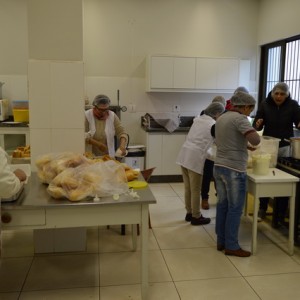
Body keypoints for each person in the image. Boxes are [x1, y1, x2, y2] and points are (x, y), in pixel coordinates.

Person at [214, 91, 260, 257]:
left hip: (218, 166)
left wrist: (243, 145)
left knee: (222, 205)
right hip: (234, 169)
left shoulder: (222, 117)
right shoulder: (240, 119)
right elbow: (256, 139)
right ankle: (232, 245)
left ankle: (221, 240)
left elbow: (223, 140)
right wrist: (252, 129)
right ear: (246, 106)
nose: (250, 113)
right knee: (235, 208)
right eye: (250, 109)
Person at [252, 82, 300, 224]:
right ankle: (262, 208)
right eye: (276, 93)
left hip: (285, 145)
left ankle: (280, 213)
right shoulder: (265, 104)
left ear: (287, 95)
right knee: (265, 177)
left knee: (284, 179)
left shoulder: (293, 105)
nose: (279, 97)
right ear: (272, 93)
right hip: (268, 145)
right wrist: (257, 123)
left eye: (282, 94)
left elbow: (298, 120)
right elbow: (256, 124)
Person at [176, 102, 225, 225]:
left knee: (188, 188)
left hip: (184, 155)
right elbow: (220, 142)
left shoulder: (198, 119)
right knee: (196, 189)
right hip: (194, 158)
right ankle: (196, 217)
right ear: (217, 113)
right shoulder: (213, 124)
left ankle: (189, 213)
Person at [201, 95, 226, 210]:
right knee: (207, 175)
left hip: (219, 150)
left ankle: (220, 196)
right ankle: (204, 198)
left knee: (219, 176)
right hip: (208, 150)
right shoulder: (204, 115)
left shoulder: (224, 117)